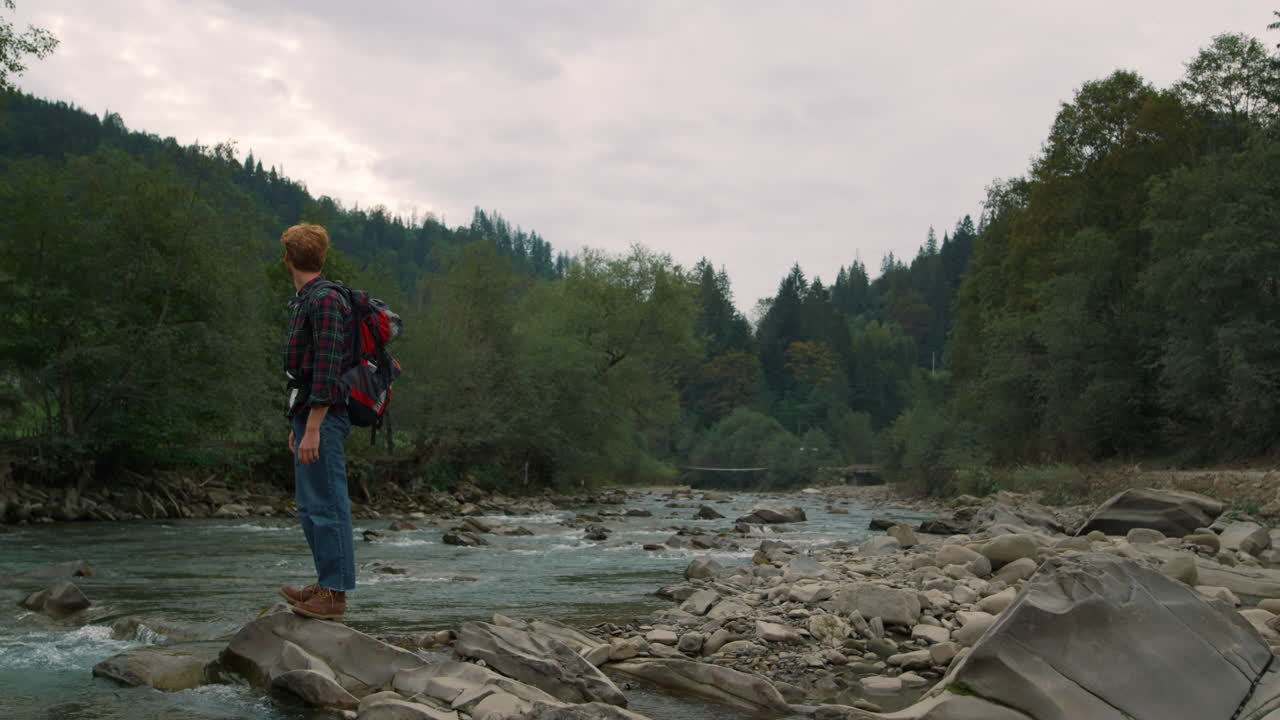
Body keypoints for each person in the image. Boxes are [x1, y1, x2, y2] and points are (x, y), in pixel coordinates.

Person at [277, 223, 355, 620]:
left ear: (288, 258)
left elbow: (325, 370)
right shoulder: (307, 299)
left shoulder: (324, 301)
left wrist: (312, 428)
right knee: (310, 506)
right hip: (308, 416)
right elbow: (305, 372)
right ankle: (326, 583)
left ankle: (334, 596)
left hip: (322, 418)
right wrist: (299, 425)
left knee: (328, 505)